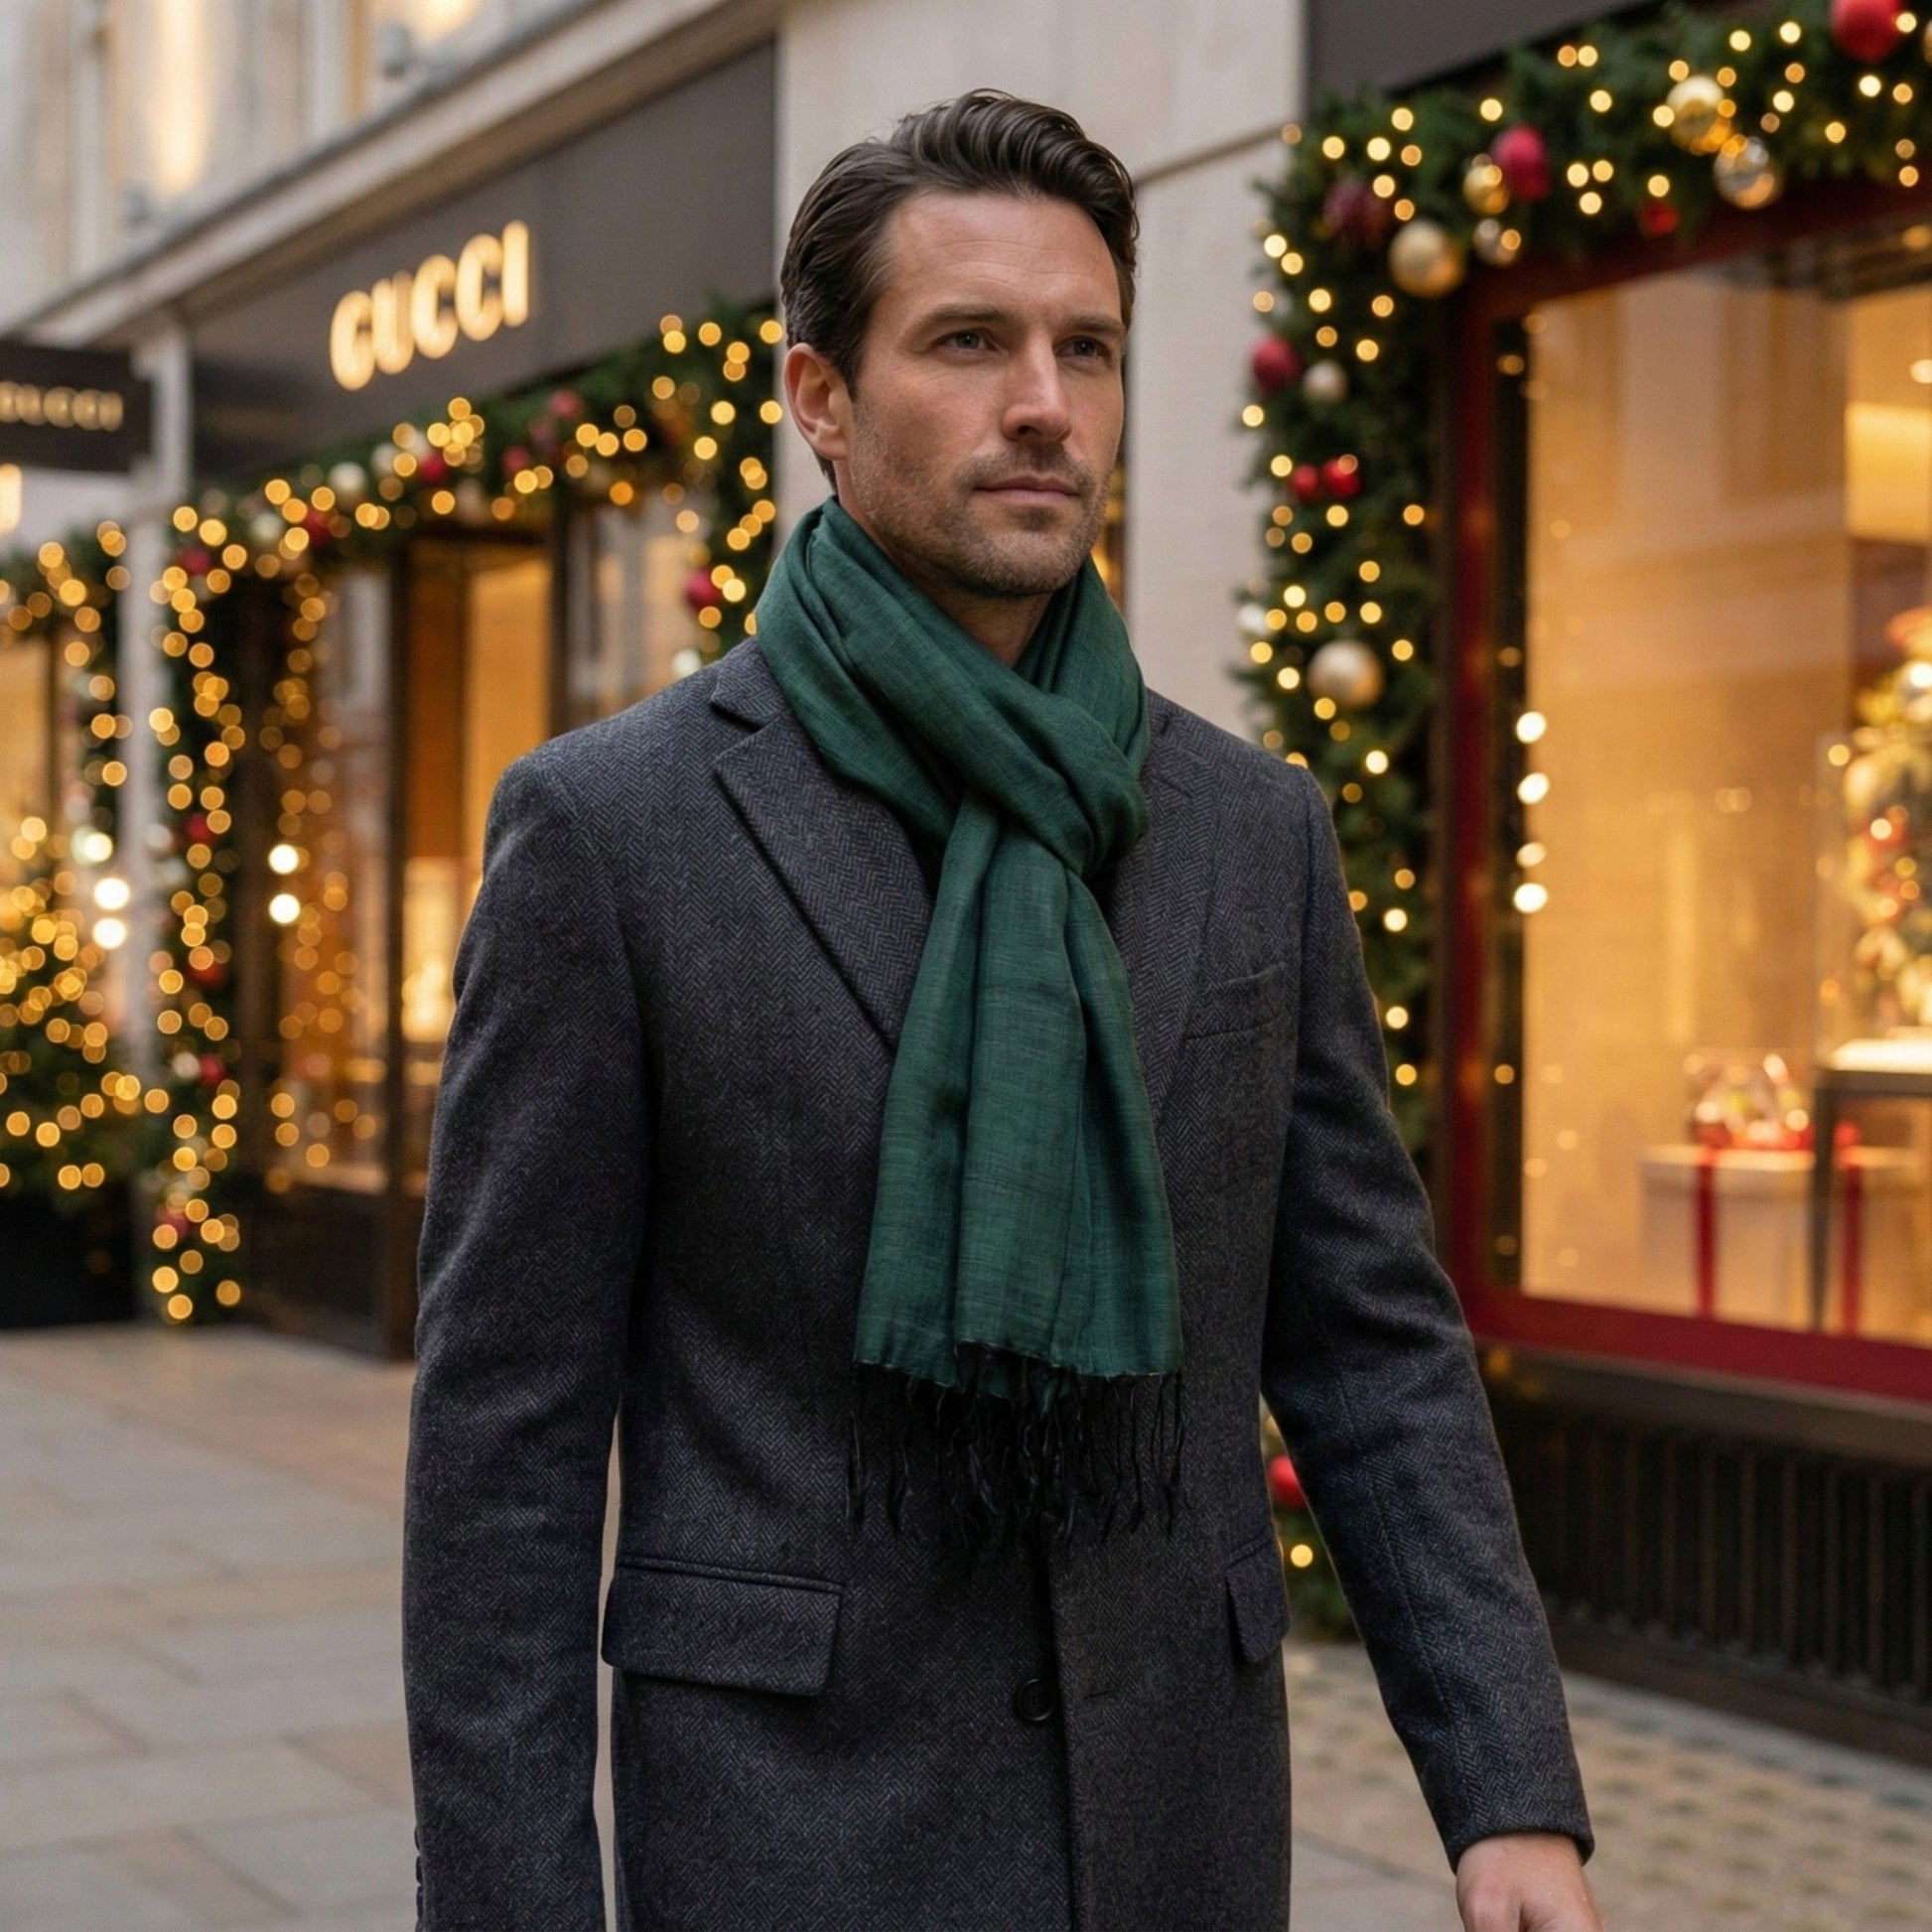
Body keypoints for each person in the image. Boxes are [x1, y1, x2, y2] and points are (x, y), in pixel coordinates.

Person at [402, 90, 1601, 1932]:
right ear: (818, 398)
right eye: (968, 341)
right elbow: (509, 1445)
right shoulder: (611, 830)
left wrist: (1504, 1787)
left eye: (1086, 346)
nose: (1044, 400)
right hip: (793, 1831)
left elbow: (1367, 1340)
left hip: (1177, 1823)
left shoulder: (1245, 823)